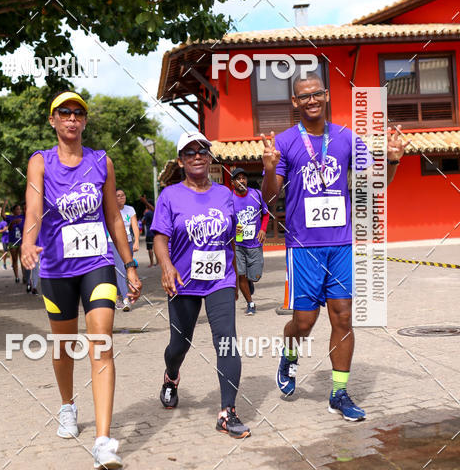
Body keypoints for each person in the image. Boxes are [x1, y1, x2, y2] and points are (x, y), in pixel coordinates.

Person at [261, 71, 405, 421]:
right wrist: (267, 170)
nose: (311, 100)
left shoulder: (345, 139)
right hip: (304, 247)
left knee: (342, 317)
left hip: (340, 244)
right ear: (295, 102)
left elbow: (374, 184)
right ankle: (290, 354)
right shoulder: (284, 142)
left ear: (325, 96)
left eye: (317, 93)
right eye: (303, 96)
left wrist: (392, 160)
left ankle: (339, 393)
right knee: (305, 322)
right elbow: (269, 197)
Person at [21, 91, 142, 470]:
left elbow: (114, 217)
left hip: (97, 262)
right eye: (64, 113)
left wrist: (131, 264)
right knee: (63, 345)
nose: (71, 119)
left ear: (85, 122)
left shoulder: (101, 161)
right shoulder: (40, 162)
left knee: (101, 343)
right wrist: (28, 240)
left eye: (78, 113)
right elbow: (34, 208)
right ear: (53, 121)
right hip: (56, 267)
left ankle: (104, 441)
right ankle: (67, 405)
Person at [151, 131, 250, 438]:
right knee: (179, 344)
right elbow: (159, 238)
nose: (197, 155)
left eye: (202, 150)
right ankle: (171, 376)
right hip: (183, 280)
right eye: (189, 152)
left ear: (209, 157)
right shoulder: (170, 196)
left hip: (219, 279)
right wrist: (166, 267)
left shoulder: (224, 194)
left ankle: (227, 412)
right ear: (181, 160)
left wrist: (234, 276)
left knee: (226, 340)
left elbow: (231, 238)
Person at [230, 167, 269, 316]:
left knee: (255, 276)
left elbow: (265, 214)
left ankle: (251, 281)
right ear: (233, 182)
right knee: (241, 274)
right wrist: (233, 230)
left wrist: (263, 229)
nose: (241, 181)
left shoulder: (257, 195)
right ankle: (250, 302)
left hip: (255, 243)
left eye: (243, 178)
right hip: (238, 243)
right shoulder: (229, 200)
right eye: (238, 179)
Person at [116, 189, 140, 309]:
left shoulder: (130, 209)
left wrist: (136, 241)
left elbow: (135, 226)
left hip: (128, 241)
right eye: (118, 196)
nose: (121, 198)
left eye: (123, 195)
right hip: (113, 242)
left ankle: (117, 296)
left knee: (127, 269)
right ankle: (126, 299)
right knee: (120, 268)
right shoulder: (110, 209)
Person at [6, 204, 24, 283]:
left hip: (21, 241)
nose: (19, 211)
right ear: (13, 211)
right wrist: (13, 222)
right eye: (17, 209)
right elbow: (9, 229)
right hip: (12, 241)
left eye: (20, 209)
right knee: (14, 260)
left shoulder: (23, 217)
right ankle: (16, 277)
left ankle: (25, 276)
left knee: (22, 260)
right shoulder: (10, 218)